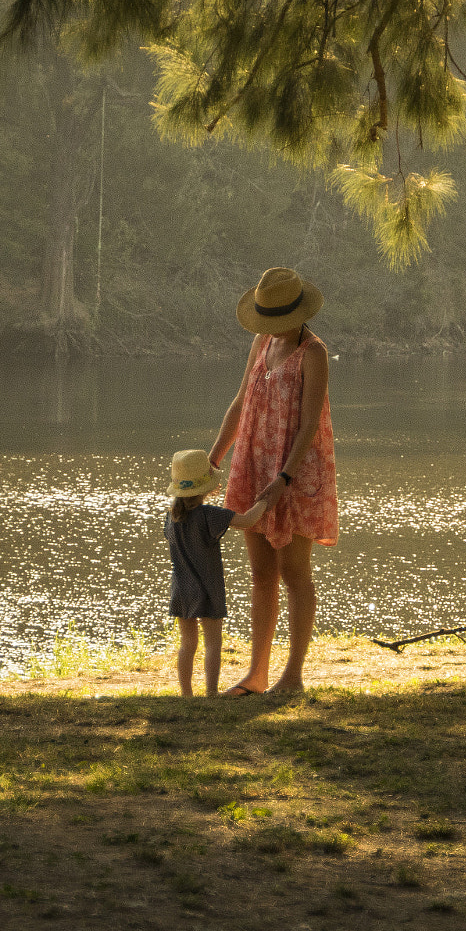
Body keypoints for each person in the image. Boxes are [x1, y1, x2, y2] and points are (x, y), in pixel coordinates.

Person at [208, 267, 338, 696]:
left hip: (296, 471)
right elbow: (240, 403)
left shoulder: (313, 352)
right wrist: (213, 462)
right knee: (261, 573)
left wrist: (284, 478)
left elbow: (308, 425)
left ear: (297, 314)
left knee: (294, 571)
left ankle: (293, 675)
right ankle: (257, 673)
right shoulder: (262, 343)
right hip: (254, 463)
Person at [163, 449, 274, 697]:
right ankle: (211, 693)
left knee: (187, 645)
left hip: (181, 590)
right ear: (206, 488)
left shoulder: (171, 517)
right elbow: (247, 520)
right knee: (213, 642)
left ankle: (187, 695)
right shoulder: (209, 515)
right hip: (207, 589)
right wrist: (265, 501)